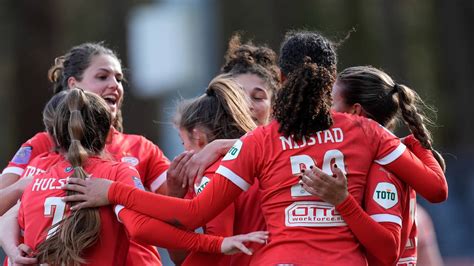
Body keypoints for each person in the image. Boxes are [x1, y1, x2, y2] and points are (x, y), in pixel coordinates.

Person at [62, 30, 447, 265]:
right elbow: (434, 192)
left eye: (259, 94)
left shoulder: (259, 144)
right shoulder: (365, 133)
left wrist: (112, 192)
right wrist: (414, 142)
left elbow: (187, 220)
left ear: (281, 82)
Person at [12, 88, 269, 265]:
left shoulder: (35, 180)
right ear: (108, 131)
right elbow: (141, 228)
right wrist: (217, 244)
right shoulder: (114, 172)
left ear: (54, 135)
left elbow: (18, 227)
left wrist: (14, 250)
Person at [0, 42, 171, 265]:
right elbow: (10, 210)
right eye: (102, 77)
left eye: (119, 79)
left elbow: (173, 211)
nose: (115, 86)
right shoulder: (44, 143)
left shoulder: (140, 147)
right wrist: (23, 188)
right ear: (73, 86)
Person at [299, 65, 447, 265]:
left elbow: (386, 252)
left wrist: (343, 201)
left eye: (331, 103)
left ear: (355, 112)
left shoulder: (381, 165)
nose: (326, 113)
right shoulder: (378, 157)